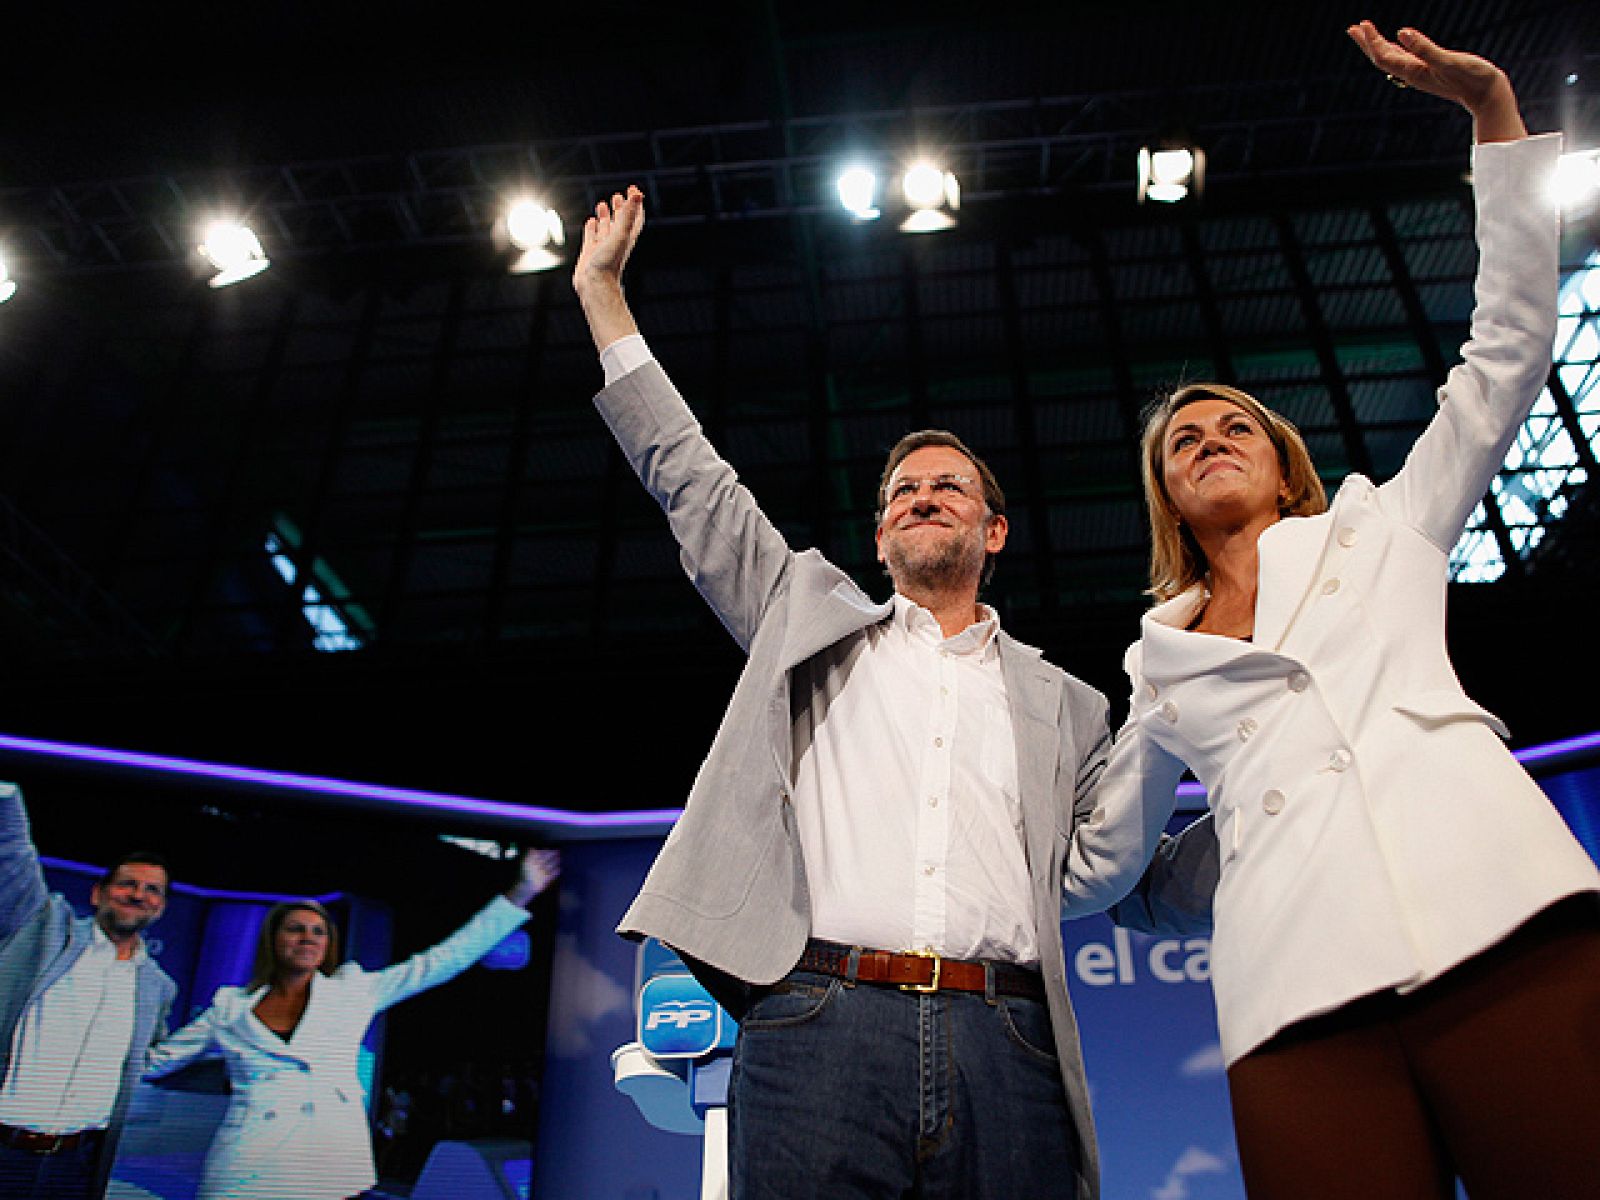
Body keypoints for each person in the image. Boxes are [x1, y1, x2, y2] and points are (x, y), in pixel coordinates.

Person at [572, 172, 1212, 1198]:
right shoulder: (804, 617)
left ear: (990, 531)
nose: (921, 497)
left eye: (946, 485)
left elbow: (1130, 878)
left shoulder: (1069, 705)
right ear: (877, 535)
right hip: (816, 1020)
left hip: (1008, 1035)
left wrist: (1292, 812)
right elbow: (689, 479)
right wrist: (604, 298)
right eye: (900, 492)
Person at [1060, 22, 1600, 1200]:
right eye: (1182, 443)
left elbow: (1506, 347)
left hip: (1497, 910)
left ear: (1284, 459)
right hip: (1293, 986)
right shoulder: (1156, 660)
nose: (1208, 443)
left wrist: (1492, 113)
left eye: (1232, 426)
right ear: (1165, 497)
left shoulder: (1383, 524)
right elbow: (1110, 867)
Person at [143, 846, 560, 1200]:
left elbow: (443, 959)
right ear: (274, 939)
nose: (307, 938)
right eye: (295, 930)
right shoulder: (228, 1007)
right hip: (247, 1159)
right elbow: (155, 1063)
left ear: (328, 945)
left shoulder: (353, 990)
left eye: (318, 932)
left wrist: (520, 892)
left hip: (328, 1161)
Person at [0, 779, 177, 1200]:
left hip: (77, 1165)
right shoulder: (46, 933)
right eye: (127, 884)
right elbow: (15, 862)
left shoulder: (157, 987)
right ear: (98, 894)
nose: (139, 895)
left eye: (153, 890)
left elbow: (158, 1055)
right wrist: (6, 795)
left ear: (162, 907)